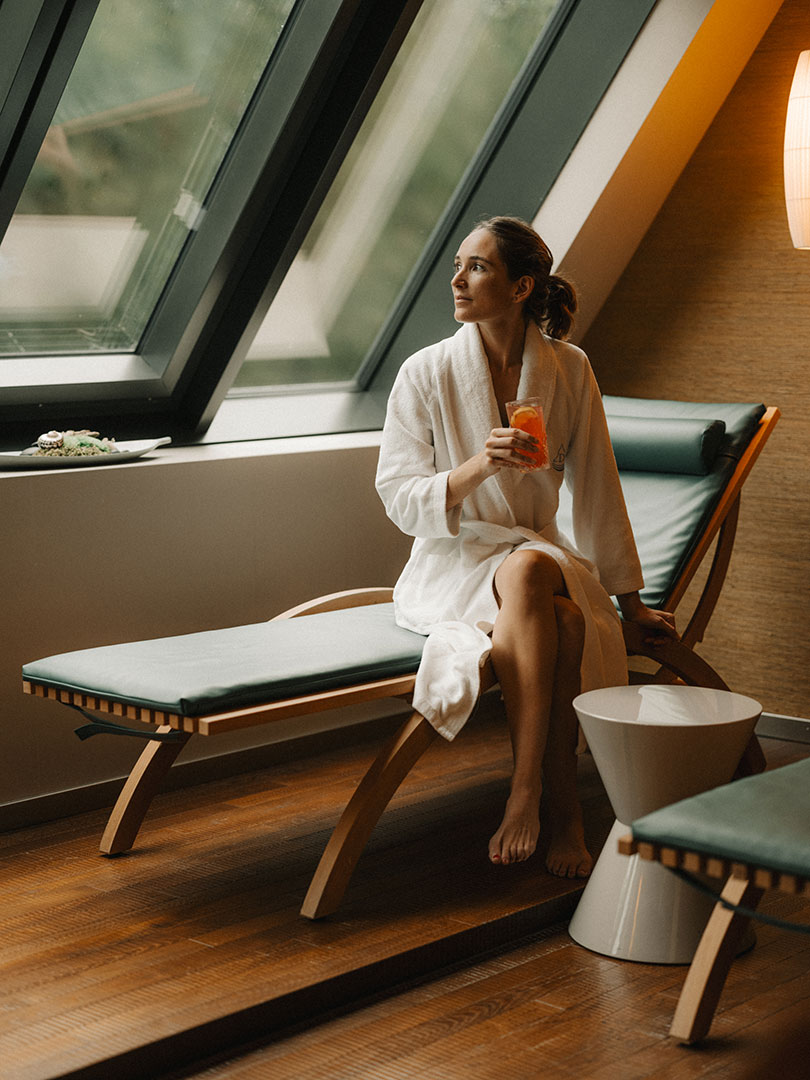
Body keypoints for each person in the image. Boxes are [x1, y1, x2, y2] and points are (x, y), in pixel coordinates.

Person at [375, 216, 677, 878]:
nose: (456, 279)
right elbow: (399, 498)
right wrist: (479, 466)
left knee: (535, 566)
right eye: (458, 264)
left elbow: (598, 483)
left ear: (520, 287)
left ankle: (530, 794)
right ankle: (552, 803)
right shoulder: (425, 372)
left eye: (477, 267)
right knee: (560, 617)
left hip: (534, 552)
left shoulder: (568, 370)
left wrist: (634, 604)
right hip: (452, 562)